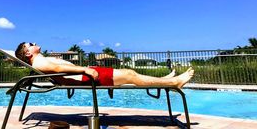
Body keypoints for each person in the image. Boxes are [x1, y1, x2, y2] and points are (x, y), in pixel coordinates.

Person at [15, 42, 194, 88]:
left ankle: (164, 79)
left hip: (83, 75)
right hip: (84, 77)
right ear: (28, 53)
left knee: (130, 73)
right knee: (130, 75)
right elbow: (58, 69)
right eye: (29, 44)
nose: (33, 43)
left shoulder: (38, 59)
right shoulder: (38, 61)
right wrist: (85, 68)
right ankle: (174, 83)